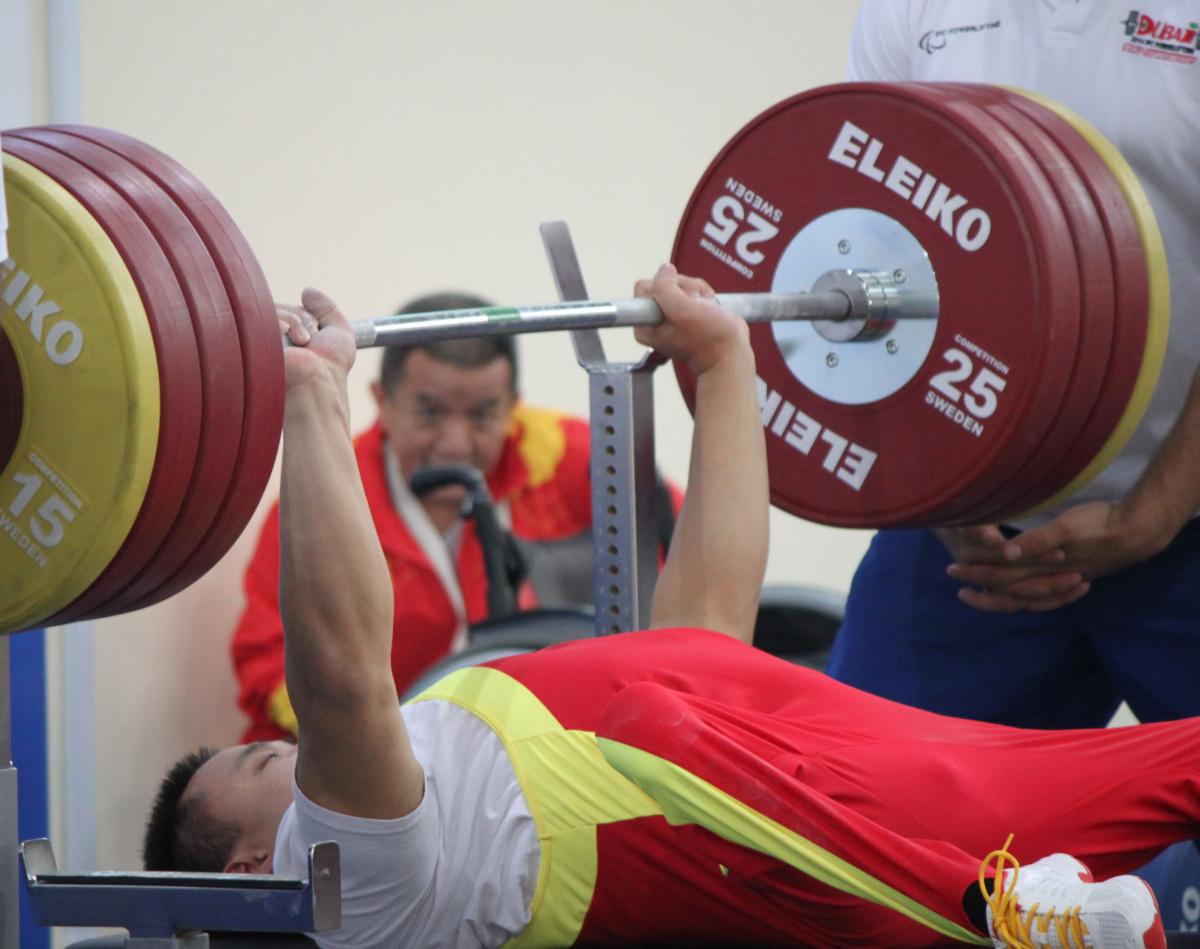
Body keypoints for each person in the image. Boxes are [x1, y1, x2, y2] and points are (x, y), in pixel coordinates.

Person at [143, 269, 1183, 949]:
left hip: (799, 747)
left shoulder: (454, 738)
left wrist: (726, 363)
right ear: (248, 864)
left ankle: (1015, 899)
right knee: (657, 726)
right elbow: (338, 684)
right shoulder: (347, 889)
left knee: (1176, 761)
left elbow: (705, 634)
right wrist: (312, 395)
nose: (285, 755)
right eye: (261, 764)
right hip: (738, 810)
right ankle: (994, 912)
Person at [826, 0, 1200, 728]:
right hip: (967, 539)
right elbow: (873, 246)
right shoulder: (910, 11)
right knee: (859, 818)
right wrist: (938, 494)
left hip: (1184, 524)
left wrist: (1153, 513)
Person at [231, 291, 678, 742]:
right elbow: (267, 666)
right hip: (372, 756)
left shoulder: (581, 460)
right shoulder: (321, 504)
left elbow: (681, 560)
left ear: (511, 405)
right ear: (381, 400)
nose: (456, 444)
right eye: (430, 412)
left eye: (483, 415)